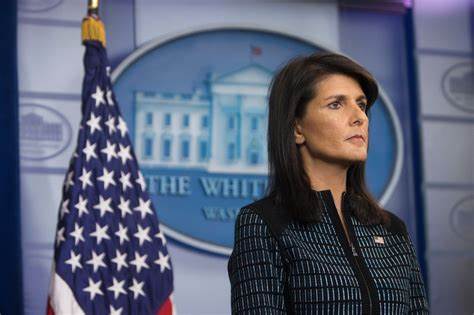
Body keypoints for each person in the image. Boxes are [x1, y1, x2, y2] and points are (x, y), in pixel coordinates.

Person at [227, 52, 429, 314]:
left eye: (361, 104)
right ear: (297, 128)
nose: (359, 117)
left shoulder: (393, 230)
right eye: (336, 104)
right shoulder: (262, 223)